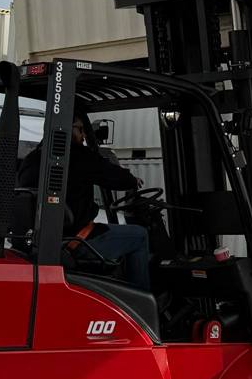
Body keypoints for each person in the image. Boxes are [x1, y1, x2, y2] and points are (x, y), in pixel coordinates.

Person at [19, 107, 152, 289]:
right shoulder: (76, 155)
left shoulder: (32, 158)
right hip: (77, 241)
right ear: (66, 129)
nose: (82, 136)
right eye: (79, 129)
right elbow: (112, 175)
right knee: (139, 236)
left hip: (44, 241)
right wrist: (131, 180)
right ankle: (142, 300)